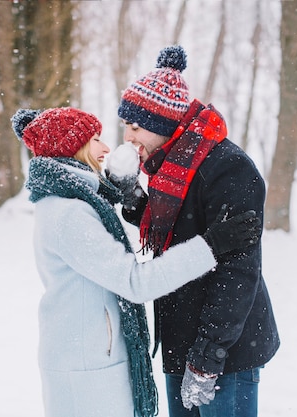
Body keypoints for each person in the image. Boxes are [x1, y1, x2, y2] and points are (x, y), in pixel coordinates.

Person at [10, 106, 262, 417]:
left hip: (88, 358)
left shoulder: (73, 203)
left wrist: (131, 196)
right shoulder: (70, 214)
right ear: (72, 147)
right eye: (96, 139)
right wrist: (210, 246)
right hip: (86, 368)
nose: (106, 148)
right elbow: (135, 282)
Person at [111, 45, 280, 417]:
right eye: (126, 125)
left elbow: (238, 269)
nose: (128, 136)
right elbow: (174, 232)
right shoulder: (168, 166)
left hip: (225, 352)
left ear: (161, 124)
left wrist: (209, 354)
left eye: (135, 126)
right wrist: (133, 195)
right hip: (181, 335)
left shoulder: (228, 169)